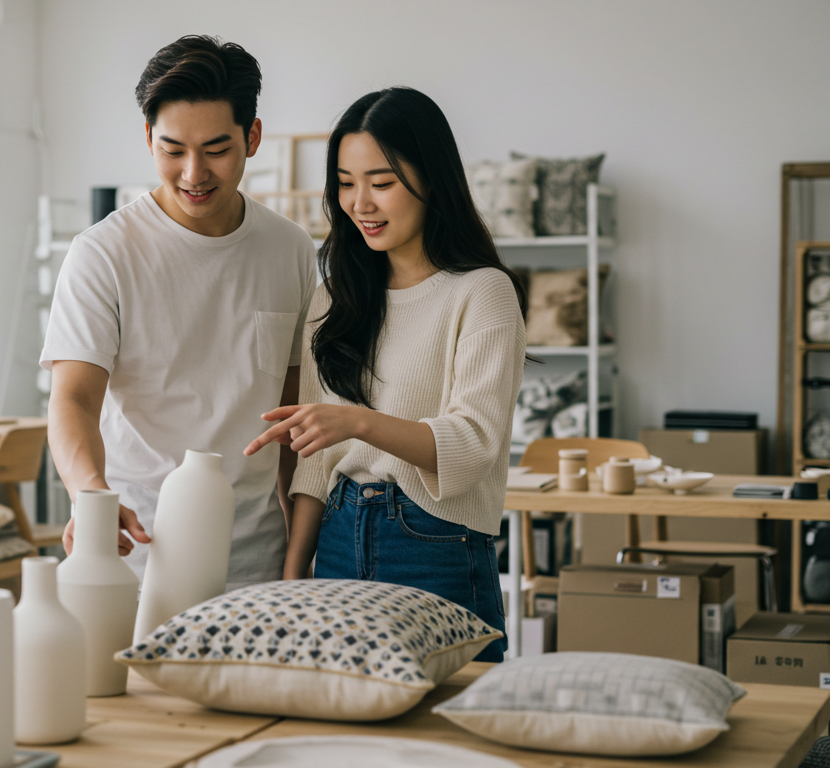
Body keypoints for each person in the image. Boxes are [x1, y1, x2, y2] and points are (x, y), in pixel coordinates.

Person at [245, 87, 527, 661]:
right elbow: (315, 463)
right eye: (346, 184)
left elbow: (472, 447)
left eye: (382, 182)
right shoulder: (334, 301)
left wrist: (357, 422)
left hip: (435, 546)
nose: (360, 203)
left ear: (431, 177)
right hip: (338, 541)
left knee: (448, 741)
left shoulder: (483, 293)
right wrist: (294, 578)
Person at [41, 35, 317, 587]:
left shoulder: (290, 249)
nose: (194, 173)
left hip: (257, 566)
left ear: (252, 137)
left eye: (216, 149)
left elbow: (293, 419)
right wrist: (89, 492)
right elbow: (72, 398)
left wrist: (297, 562)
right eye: (173, 150)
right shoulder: (103, 253)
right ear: (148, 139)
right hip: (136, 558)